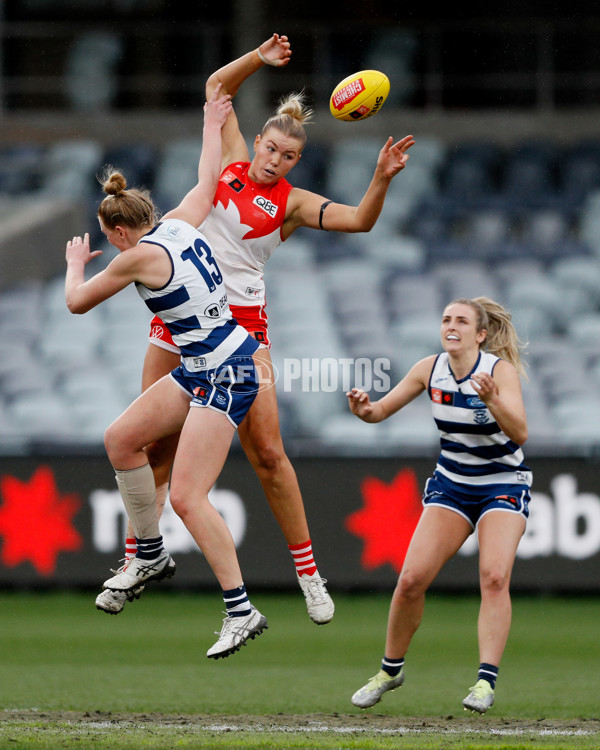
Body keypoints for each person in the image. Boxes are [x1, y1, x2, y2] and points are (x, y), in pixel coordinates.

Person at [96, 32, 415, 624]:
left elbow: (361, 222)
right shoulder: (232, 162)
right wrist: (258, 61)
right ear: (260, 142)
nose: (274, 159)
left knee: (268, 452)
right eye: (270, 147)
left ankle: (308, 572)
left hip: (242, 330)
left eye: (287, 155)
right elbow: (217, 89)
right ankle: (140, 557)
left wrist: (382, 177)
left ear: (296, 161)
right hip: (177, 319)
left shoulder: (291, 203)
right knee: (146, 441)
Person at [65, 86, 269, 660]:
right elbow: (211, 172)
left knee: (188, 495)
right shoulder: (181, 220)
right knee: (122, 439)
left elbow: (77, 304)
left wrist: (75, 267)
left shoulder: (133, 256)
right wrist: (212, 119)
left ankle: (241, 610)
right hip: (209, 364)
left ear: (118, 233)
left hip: (226, 369)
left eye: (108, 239)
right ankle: (149, 554)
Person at [347, 297, 531, 714]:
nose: (451, 325)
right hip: (452, 484)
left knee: (495, 576)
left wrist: (493, 401)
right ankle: (390, 671)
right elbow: (378, 413)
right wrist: (362, 410)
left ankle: (485, 682)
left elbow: (520, 432)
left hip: (501, 482)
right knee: (411, 579)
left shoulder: (497, 372)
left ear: (480, 335)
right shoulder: (429, 369)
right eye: (446, 319)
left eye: (462, 321)